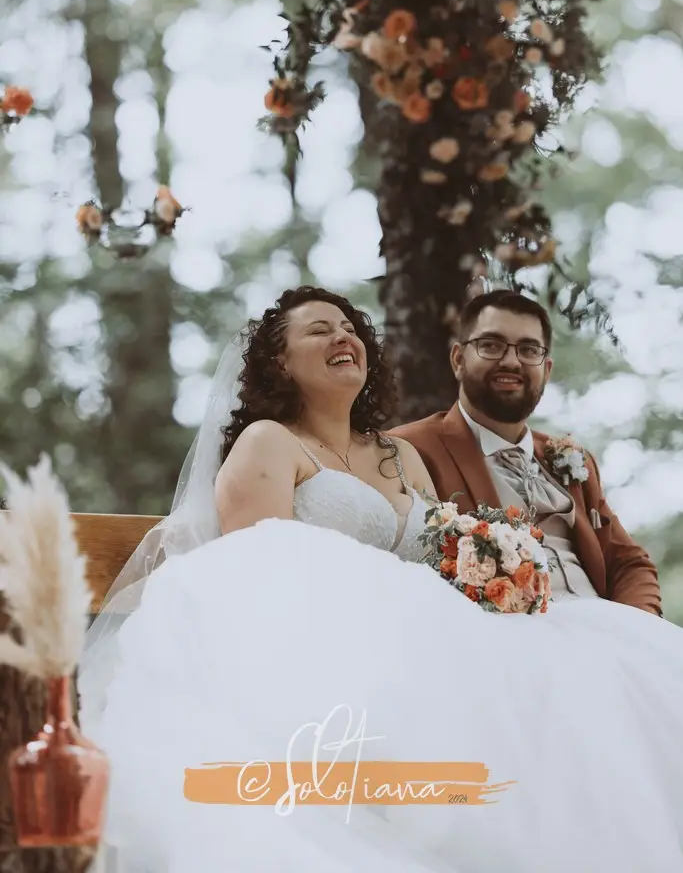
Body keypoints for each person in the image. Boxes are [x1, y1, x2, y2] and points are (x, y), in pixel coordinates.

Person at [79, 285, 683, 873]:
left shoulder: (399, 457)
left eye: (350, 329)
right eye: (319, 330)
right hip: (326, 646)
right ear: (278, 362)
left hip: (435, 634)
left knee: (606, 668)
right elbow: (252, 576)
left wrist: (489, 573)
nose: (343, 337)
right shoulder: (269, 443)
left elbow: (443, 558)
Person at [390, 289, 661, 614]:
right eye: (491, 345)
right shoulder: (409, 449)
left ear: (546, 370)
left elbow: (628, 562)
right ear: (458, 360)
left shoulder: (575, 460)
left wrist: (638, 629)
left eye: (528, 349)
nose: (511, 361)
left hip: (607, 628)